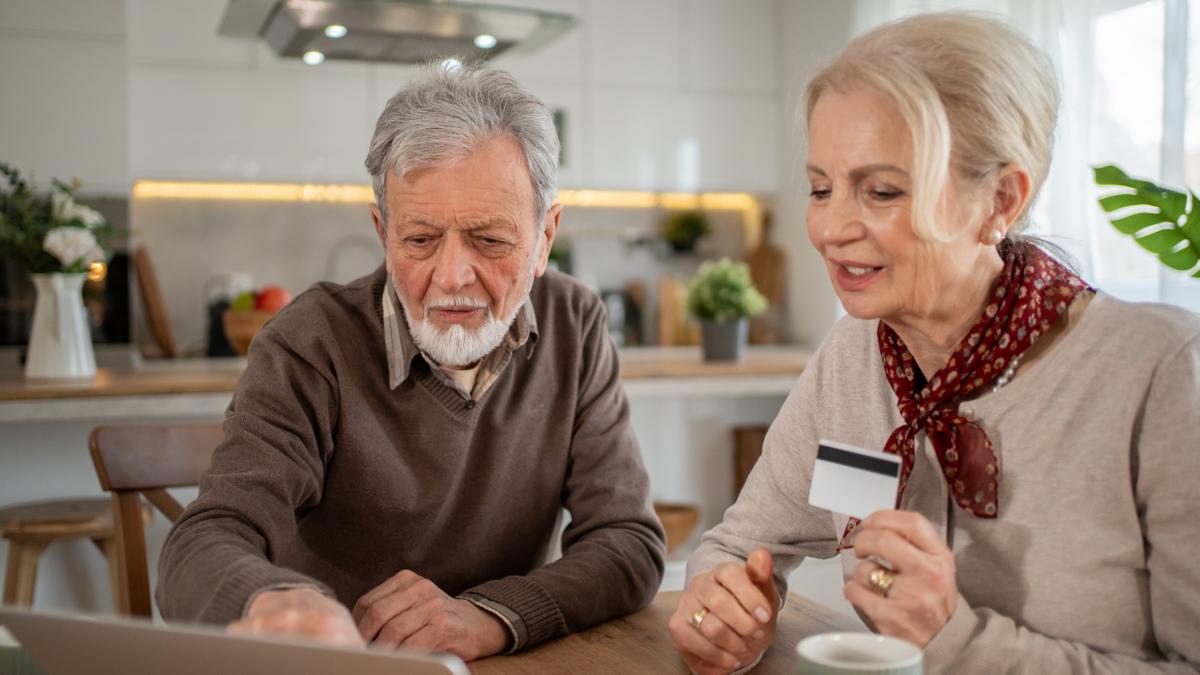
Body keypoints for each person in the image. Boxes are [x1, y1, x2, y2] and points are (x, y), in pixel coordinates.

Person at [670, 12, 1200, 675]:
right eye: (820, 188)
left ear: (999, 200)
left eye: (883, 190)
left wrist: (955, 639)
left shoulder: (1159, 370)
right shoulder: (854, 354)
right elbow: (738, 545)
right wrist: (721, 607)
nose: (831, 227)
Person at [157, 63, 666, 661]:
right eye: (420, 239)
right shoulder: (309, 342)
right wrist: (273, 602)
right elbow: (202, 541)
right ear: (382, 230)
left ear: (545, 238)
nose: (451, 278)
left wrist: (491, 616)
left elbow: (627, 541)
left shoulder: (574, 324)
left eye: (490, 239)